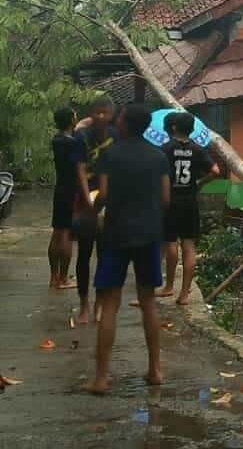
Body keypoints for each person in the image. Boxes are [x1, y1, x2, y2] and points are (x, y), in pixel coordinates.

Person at [84, 103, 170, 395]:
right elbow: (166, 198)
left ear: (124, 124)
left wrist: (94, 207)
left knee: (110, 303)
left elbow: (104, 195)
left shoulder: (111, 155)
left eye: (118, 118)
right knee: (148, 302)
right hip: (148, 235)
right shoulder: (158, 157)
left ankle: (101, 377)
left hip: (116, 234)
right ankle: (156, 369)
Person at [159, 111, 220, 305]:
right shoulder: (197, 149)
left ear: (174, 127)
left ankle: (169, 286)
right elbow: (216, 171)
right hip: (190, 200)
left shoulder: (165, 148)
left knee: (170, 243)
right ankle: (184, 294)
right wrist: (200, 182)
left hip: (171, 200)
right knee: (189, 245)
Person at [71, 97, 117, 325]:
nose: (101, 116)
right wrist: (87, 200)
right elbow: (79, 169)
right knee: (84, 254)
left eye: (105, 112)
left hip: (108, 201)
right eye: (97, 112)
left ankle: (100, 304)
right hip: (84, 199)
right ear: (92, 113)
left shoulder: (115, 137)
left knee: (105, 254)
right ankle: (84, 305)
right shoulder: (82, 138)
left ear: (111, 115)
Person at [48, 105, 77, 289]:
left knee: (57, 231)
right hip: (72, 189)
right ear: (71, 120)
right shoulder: (72, 143)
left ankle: (53, 277)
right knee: (66, 232)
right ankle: (64, 278)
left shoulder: (57, 140)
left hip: (60, 188)